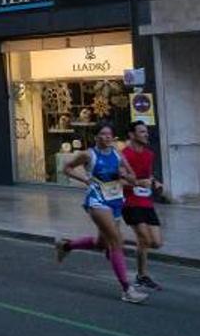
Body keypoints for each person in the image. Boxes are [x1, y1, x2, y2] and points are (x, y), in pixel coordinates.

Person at [57, 123, 148, 303]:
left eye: (109, 134)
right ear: (96, 137)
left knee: (101, 243)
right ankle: (127, 290)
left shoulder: (117, 153)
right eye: (102, 134)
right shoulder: (88, 154)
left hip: (115, 200)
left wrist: (127, 176)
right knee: (116, 241)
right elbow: (66, 168)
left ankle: (65, 246)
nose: (107, 137)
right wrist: (84, 179)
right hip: (96, 200)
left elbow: (131, 177)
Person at [122, 121, 164, 290]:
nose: (146, 134)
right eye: (142, 132)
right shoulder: (124, 155)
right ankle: (142, 276)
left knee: (156, 242)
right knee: (144, 239)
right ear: (132, 135)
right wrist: (138, 183)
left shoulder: (149, 154)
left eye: (146, 131)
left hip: (146, 202)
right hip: (130, 202)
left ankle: (117, 244)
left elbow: (148, 175)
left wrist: (155, 182)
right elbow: (120, 181)